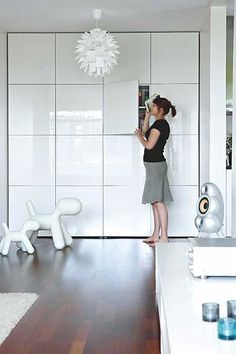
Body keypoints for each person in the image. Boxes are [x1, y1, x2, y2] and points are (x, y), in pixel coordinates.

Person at [134, 94, 176, 246]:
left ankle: (163, 237)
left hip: (156, 165)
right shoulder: (158, 123)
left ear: (160, 109)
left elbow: (149, 145)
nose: (151, 107)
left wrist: (140, 137)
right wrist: (146, 117)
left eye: (153, 106)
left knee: (158, 201)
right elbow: (146, 132)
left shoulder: (160, 125)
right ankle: (155, 235)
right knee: (154, 201)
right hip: (154, 165)